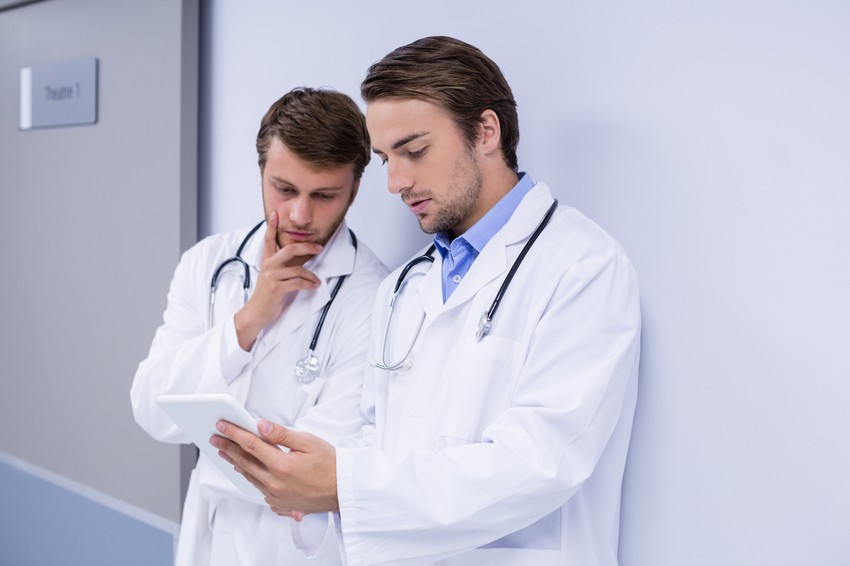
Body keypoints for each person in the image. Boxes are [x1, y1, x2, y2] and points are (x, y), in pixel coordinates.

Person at [213, 36, 641, 566]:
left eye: (414, 152)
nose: (395, 182)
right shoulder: (403, 288)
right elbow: (378, 439)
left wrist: (344, 485)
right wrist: (308, 488)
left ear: (486, 132)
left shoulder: (581, 267)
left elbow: (540, 463)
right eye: (386, 158)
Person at [130, 87, 387, 566]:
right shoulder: (208, 264)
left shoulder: (375, 297)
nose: (300, 215)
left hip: (299, 547)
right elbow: (149, 406)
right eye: (284, 189)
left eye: (324, 195)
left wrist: (211, 444)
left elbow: (305, 472)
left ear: (354, 188)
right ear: (262, 173)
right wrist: (247, 321)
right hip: (207, 535)